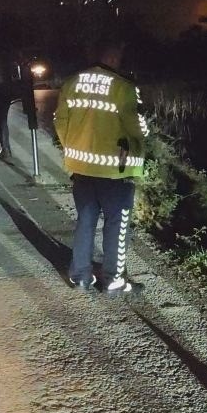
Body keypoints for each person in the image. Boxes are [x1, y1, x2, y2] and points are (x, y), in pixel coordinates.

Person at [53, 37, 149, 295]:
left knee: (85, 220)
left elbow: (60, 121)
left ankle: (81, 276)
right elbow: (138, 129)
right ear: (114, 57)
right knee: (117, 224)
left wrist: (73, 147)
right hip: (115, 170)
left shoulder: (71, 83)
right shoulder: (124, 88)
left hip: (81, 168)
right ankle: (114, 280)